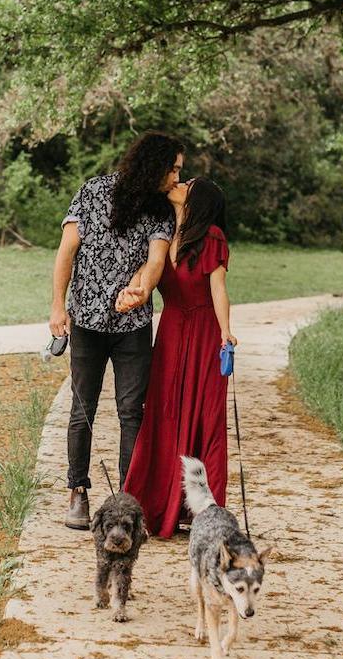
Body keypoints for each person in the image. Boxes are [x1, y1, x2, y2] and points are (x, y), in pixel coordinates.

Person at [50, 132, 185, 530]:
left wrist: (141, 289)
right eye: (173, 169)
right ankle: (77, 491)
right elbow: (66, 252)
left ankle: (127, 501)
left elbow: (156, 260)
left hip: (132, 326)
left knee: (131, 412)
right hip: (86, 321)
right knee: (82, 409)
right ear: (154, 165)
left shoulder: (161, 209)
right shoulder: (92, 191)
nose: (177, 178)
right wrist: (57, 305)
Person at [120, 177, 236, 539]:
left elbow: (219, 290)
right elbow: (147, 274)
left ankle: (203, 511)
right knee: (164, 411)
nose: (178, 183)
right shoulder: (164, 233)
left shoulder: (212, 237)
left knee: (204, 417)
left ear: (197, 200)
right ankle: (158, 504)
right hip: (171, 330)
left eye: (187, 184)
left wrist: (226, 332)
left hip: (204, 332)